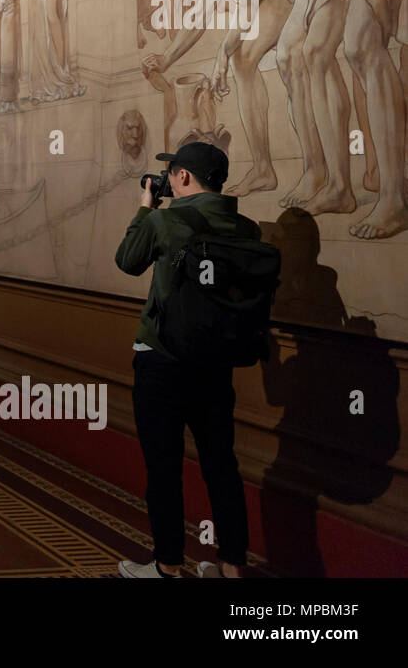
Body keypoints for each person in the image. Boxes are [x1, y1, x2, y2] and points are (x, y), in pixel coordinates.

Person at [114, 142, 257, 579]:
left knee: (164, 467)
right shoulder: (247, 228)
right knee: (221, 465)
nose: (169, 178)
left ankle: (168, 567)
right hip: (216, 363)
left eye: (172, 172)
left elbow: (127, 261)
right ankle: (231, 568)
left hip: (163, 360)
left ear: (183, 178)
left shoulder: (165, 219)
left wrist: (145, 207)